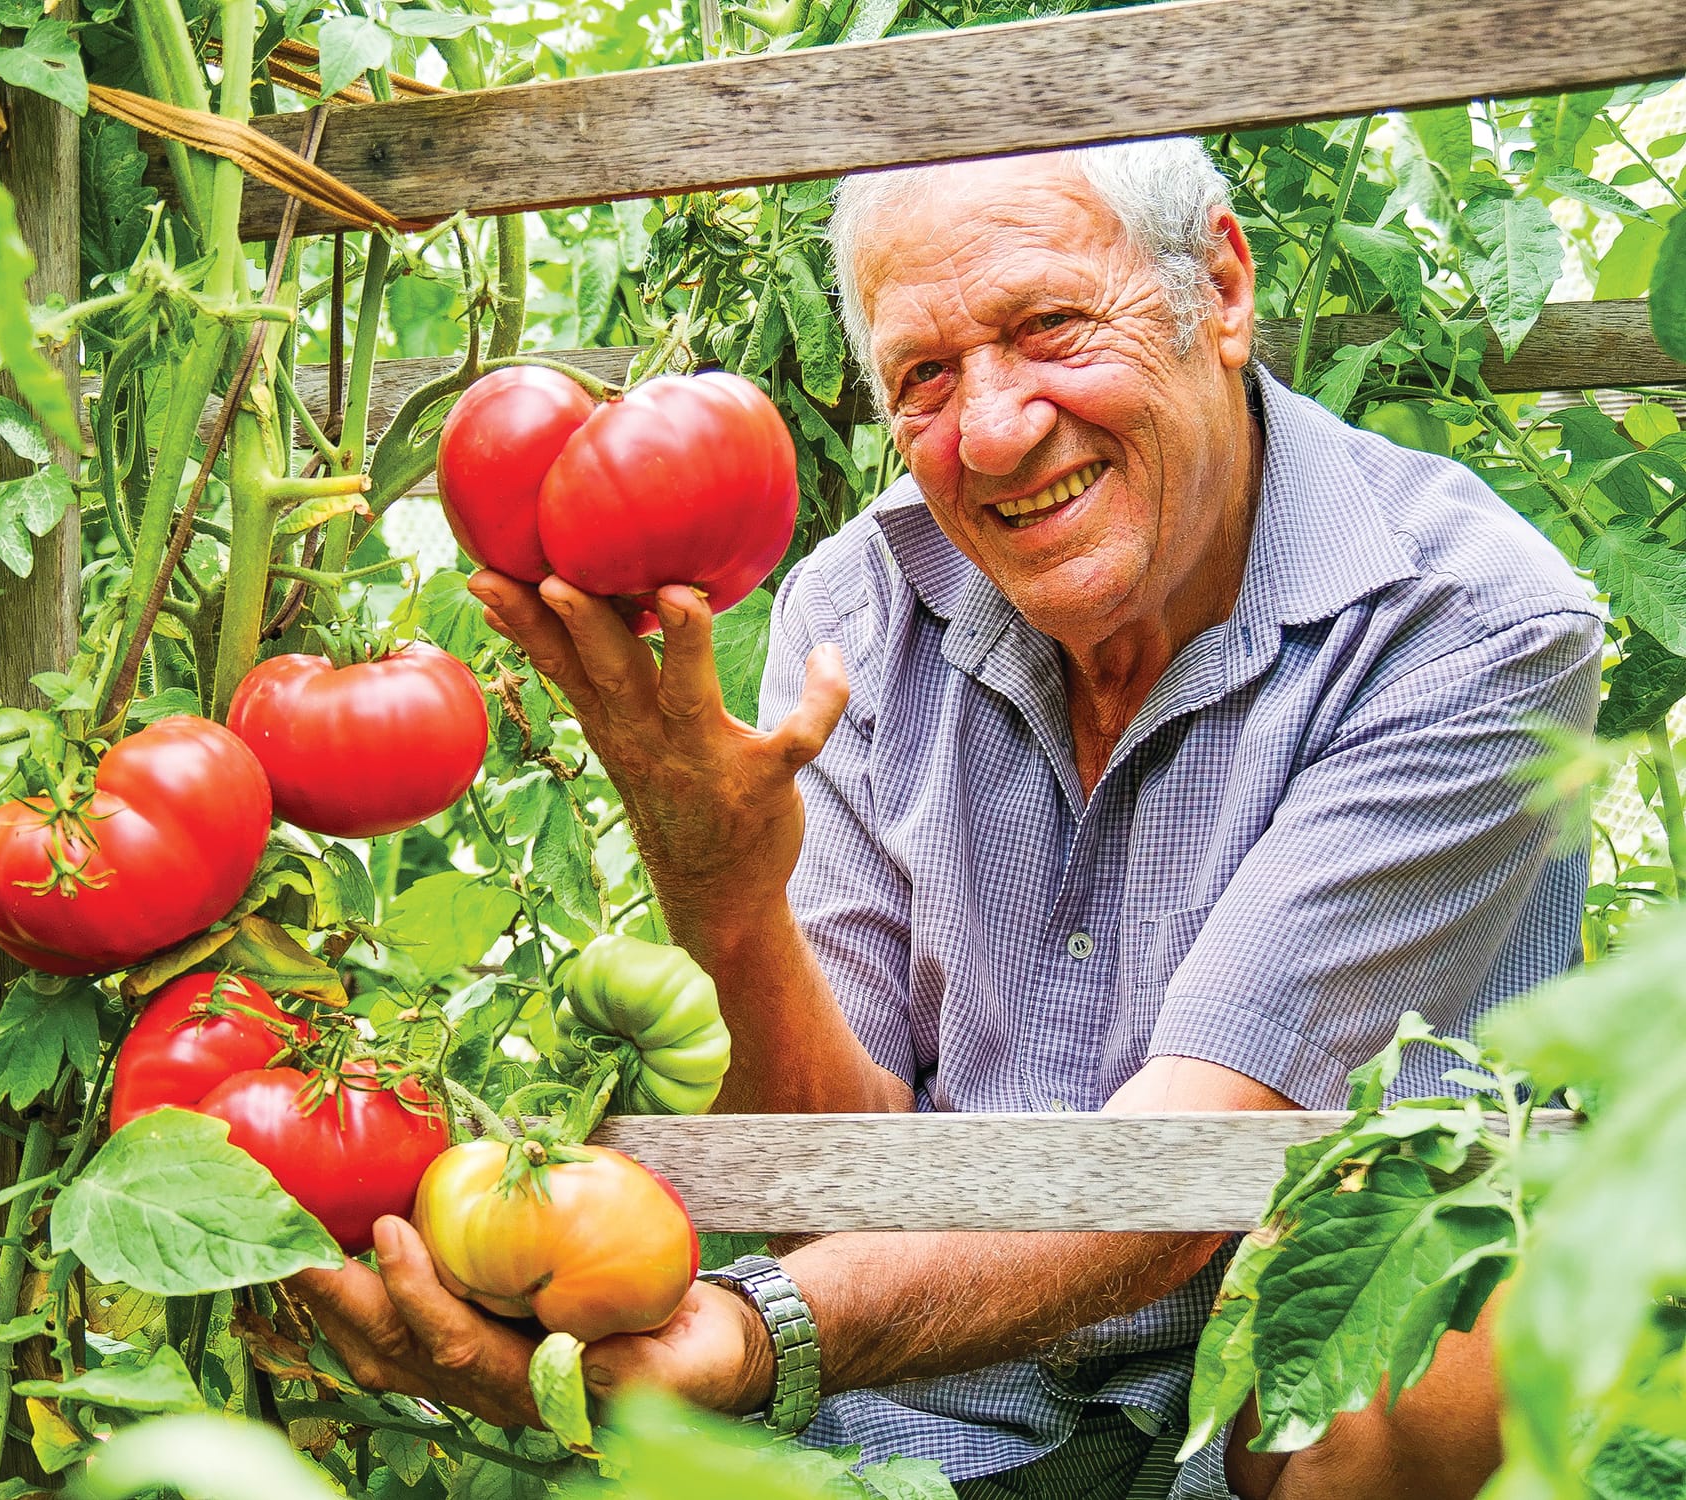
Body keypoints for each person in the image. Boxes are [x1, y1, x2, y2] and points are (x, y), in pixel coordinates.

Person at [291, 140, 1603, 1499]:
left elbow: (1192, 1168)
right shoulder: (862, 609)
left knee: (1442, 1305)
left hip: (1280, 1396)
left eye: (1050, 329)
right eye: (924, 376)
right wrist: (723, 894)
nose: (990, 432)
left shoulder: (1467, 627)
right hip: (938, 1390)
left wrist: (750, 1340)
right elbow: (820, 1166)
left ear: (1219, 289)